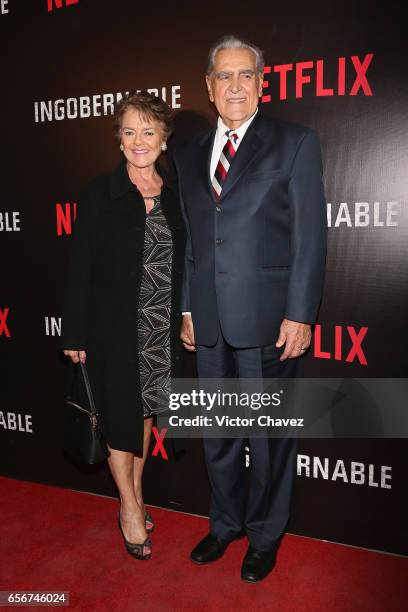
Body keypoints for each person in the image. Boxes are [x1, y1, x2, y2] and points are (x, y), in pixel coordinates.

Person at [174, 35, 327, 582]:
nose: (234, 85)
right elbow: (193, 240)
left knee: (267, 439)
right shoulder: (187, 154)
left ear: (262, 83)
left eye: (246, 75)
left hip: (270, 322)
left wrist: (300, 314)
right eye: (224, 76)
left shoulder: (295, 142)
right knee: (218, 431)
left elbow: (310, 239)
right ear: (208, 86)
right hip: (210, 322)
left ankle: (265, 535)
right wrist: (188, 309)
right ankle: (225, 524)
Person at [61, 91, 185, 560]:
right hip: (112, 329)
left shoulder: (174, 195)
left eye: (148, 132)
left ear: (164, 140)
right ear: (118, 139)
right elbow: (80, 266)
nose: (139, 141)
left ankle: (136, 490)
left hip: (159, 329)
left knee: (144, 415)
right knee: (118, 420)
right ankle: (129, 508)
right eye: (129, 131)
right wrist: (74, 333)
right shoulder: (99, 192)